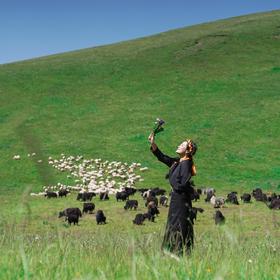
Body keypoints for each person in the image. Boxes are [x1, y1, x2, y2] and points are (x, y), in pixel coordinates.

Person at [148, 132, 197, 255]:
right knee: (173, 224)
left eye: (182, 145)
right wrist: (153, 143)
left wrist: (173, 186)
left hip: (181, 200)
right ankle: (171, 251)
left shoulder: (186, 163)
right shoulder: (178, 162)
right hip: (176, 199)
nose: (179, 145)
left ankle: (179, 253)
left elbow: (184, 183)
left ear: (187, 151)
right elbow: (162, 157)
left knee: (178, 225)